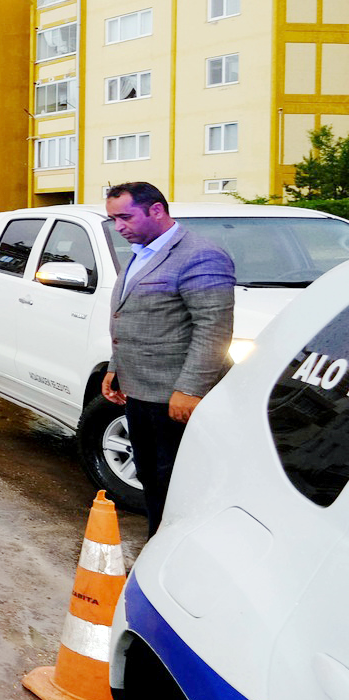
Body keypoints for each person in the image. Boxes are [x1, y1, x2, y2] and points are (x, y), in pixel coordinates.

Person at [101, 181, 235, 533]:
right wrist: (116, 368)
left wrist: (190, 389)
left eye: (126, 217)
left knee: (176, 483)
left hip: (175, 397)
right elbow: (132, 316)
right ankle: (156, 541)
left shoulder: (199, 255)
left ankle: (172, 548)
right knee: (150, 476)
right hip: (140, 391)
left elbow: (213, 328)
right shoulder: (142, 252)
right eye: (113, 219)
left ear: (157, 210)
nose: (119, 227)